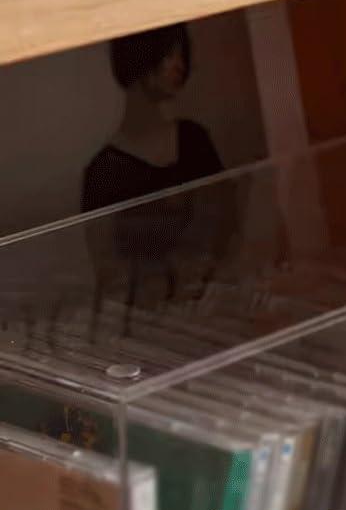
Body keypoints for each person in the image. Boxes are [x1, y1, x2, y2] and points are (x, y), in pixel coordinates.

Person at [82, 24, 235, 309]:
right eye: (167, 54)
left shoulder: (193, 140)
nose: (179, 65)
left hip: (210, 302)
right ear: (140, 55)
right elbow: (108, 270)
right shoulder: (102, 172)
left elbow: (225, 226)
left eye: (181, 54)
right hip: (150, 315)